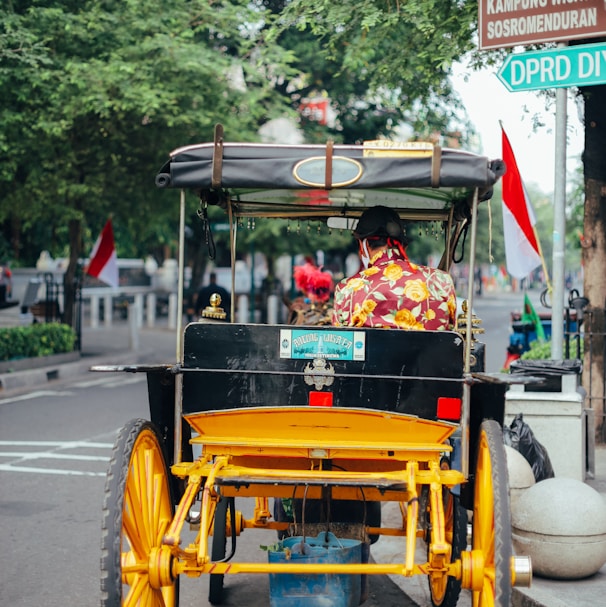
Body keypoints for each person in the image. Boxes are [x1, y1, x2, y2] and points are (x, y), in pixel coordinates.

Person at [332, 205, 456, 330]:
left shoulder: (347, 289)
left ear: (363, 246)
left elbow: (341, 343)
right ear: (403, 245)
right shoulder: (441, 280)